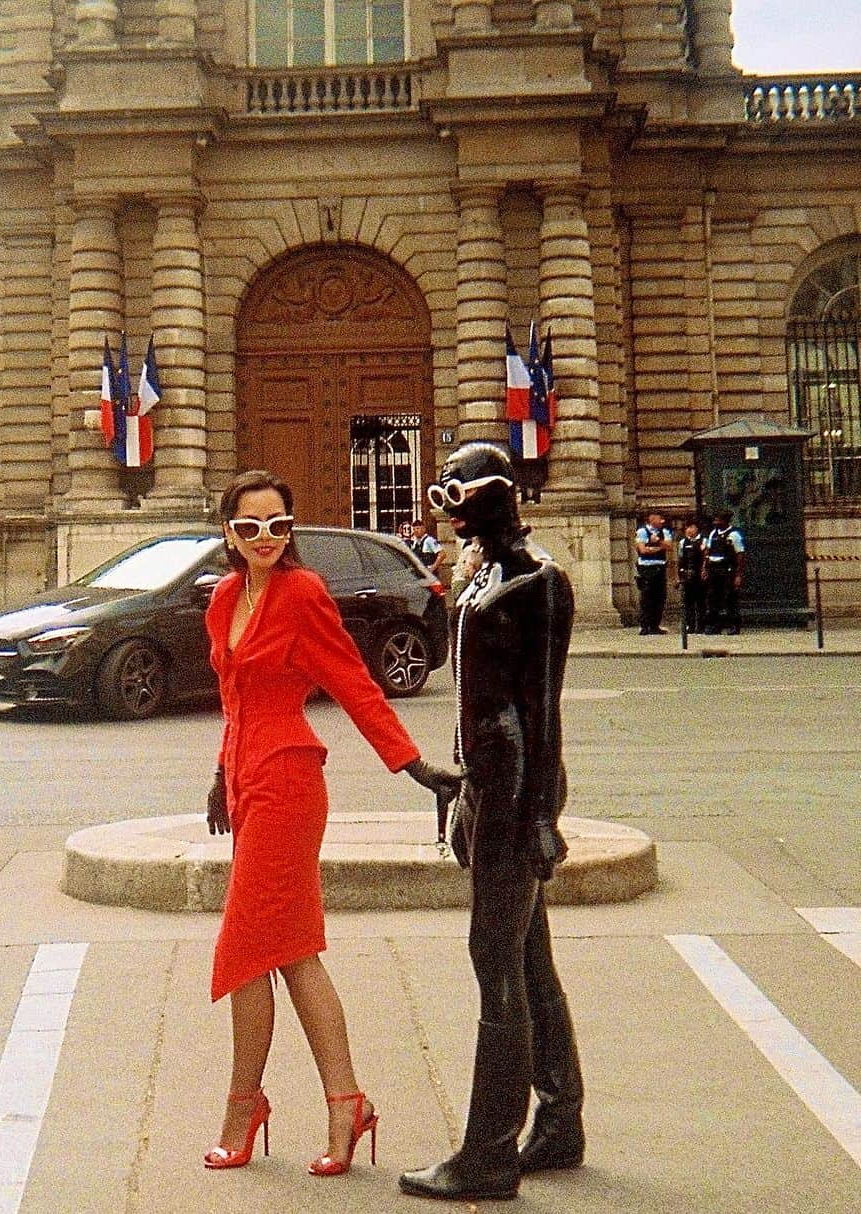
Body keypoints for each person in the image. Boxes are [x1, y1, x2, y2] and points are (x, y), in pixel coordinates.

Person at [202, 469, 459, 1176]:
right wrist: (221, 775)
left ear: (291, 530)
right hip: (248, 781)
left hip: (289, 780)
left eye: (278, 526)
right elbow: (232, 698)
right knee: (287, 952)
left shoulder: (302, 595)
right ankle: (345, 1102)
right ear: (228, 531)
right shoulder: (225, 597)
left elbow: (352, 681)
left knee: (248, 951)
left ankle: (243, 1107)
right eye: (249, 526)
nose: (264, 538)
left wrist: (411, 763)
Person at [400, 441, 584, 1203]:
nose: (450, 511)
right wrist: (461, 794)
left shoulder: (539, 583)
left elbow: (541, 710)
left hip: (516, 793)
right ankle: (560, 1119)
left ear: (500, 496)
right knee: (529, 957)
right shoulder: (486, 578)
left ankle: (488, 1153)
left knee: (495, 963)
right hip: (488, 786)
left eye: (458, 494)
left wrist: (538, 813)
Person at [703, 509, 745, 634]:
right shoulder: (713, 534)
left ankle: (733, 625)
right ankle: (715, 625)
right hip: (714, 568)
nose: (715, 522)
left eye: (718, 519)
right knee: (713, 598)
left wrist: (738, 574)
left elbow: (740, 554)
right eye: (715, 519)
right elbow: (708, 551)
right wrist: (705, 568)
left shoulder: (734, 534)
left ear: (725, 521)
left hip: (727, 568)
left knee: (730, 598)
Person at [634, 510, 672, 635]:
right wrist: (659, 548)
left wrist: (657, 542)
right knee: (646, 598)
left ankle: (655, 625)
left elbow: (669, 546)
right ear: (652, 518)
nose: (662, 522)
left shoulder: (665, 532)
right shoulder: (642, 531)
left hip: (660, 567)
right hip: (646, 568)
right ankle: (645, 626)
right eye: (660, 519)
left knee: (660, 597)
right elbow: (643, 550)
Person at [676, 518, 706, 635]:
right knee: (688, 602)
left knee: (700, 601)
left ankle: (701, 625)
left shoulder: (703, 541)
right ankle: (690, 625)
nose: (689, 530)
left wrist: (704, 570)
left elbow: (705, 556)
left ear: (696, 528)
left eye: (691, 527)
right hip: (687, 575)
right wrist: (678, 577)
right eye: (687, 527)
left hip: (699, 575)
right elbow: (680, 559)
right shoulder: (683, 543)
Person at [450, 536, 483, 602]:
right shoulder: (472, 550)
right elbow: (470, 569)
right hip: (463, 582)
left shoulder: (467, 549)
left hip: (458, 581)